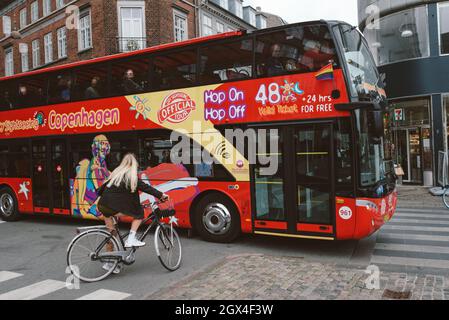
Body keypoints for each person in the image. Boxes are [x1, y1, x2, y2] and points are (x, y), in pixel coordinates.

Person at [97, 153, 168, 250]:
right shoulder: (131, 176)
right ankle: (131, 239)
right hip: (112, 206)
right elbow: (146, 188)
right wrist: (161, 195)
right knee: (138, 213)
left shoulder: (116, 174)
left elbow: (102, 189)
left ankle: (109, 262)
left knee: (112, 233)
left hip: (103, 205)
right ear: (135, 165)